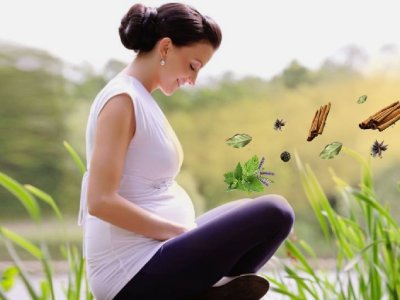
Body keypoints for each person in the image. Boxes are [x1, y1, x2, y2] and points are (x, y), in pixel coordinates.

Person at [78, 3, 295, 300]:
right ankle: (206, 291)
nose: (193, 80)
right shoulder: (121, 100)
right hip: (131, 270)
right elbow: (100, 201)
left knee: (247, 208)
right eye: (193, 66)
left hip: (155, 251)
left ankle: (208, 291)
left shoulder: (140, 97)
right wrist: (179, 233)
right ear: (165, 48)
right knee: (275, 211)